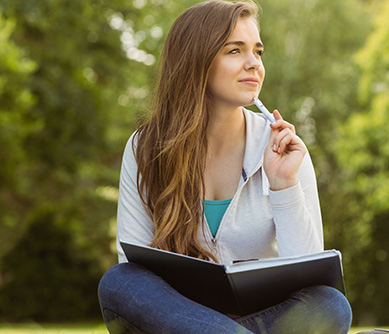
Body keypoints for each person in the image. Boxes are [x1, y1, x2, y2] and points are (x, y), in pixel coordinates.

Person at [97, 1, 352, 333]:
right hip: (179, 319)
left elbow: (309, 276)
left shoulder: (284, 151)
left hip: (262, 316)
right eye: (235, 51)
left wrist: (283, 183)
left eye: (257, 52)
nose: (254, 64)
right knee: (121, 282)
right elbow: (140, 277)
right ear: (196, 61)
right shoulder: (145, 147)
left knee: (330, 304)